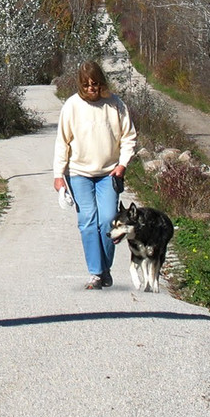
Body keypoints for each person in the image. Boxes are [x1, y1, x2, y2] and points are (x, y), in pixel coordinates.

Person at [53, 60, 137, 289]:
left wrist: (122, 164)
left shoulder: (115, 105)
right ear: (80, 85)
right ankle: (96, 272)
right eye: (87, 85)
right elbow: (62, 142)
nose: (91, 88)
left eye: (95, 84)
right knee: (87, 220)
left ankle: (105, 267)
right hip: (79, 173)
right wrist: (58, 175)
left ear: (102, 83)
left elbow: (128, 137)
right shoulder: (71, 106)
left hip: (108, 174)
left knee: (108, 220)